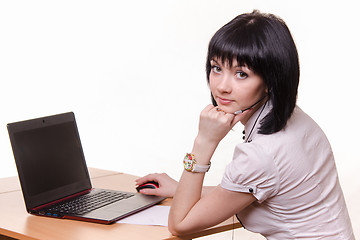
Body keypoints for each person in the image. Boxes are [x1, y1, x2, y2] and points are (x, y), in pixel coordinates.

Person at [136, 10, 355, 239]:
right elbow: (239, 193)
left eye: (241, 74)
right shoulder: (296, 118)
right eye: (217, 68)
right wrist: (178, 188)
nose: (222, 86)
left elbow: (180, 224)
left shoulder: (262, 154)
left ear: (271, 80)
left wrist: (204, 142)